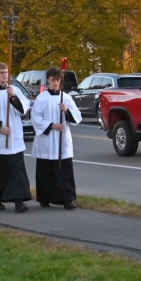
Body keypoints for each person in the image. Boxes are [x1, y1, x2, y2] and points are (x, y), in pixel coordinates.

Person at [0, 62, 32, 212]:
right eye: (1, 72)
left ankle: (18, 201)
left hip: (13, 138)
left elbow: (24, 107)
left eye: (6, 72)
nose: (4, 75)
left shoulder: (14, 90)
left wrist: (13, 97)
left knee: (16, 171)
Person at [31, 67, 81, 210]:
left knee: (64, 170)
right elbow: (36, 119)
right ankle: (44, 198)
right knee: (45, 171)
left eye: (58, 80)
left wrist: (66, 110)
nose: (56, 83)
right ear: (48, 80)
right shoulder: (42, 98)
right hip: (47, 140)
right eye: (53, 80)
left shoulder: (66, 98)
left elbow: (77, 117)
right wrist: (52, 125)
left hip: (62, 141)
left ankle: (67, 199)